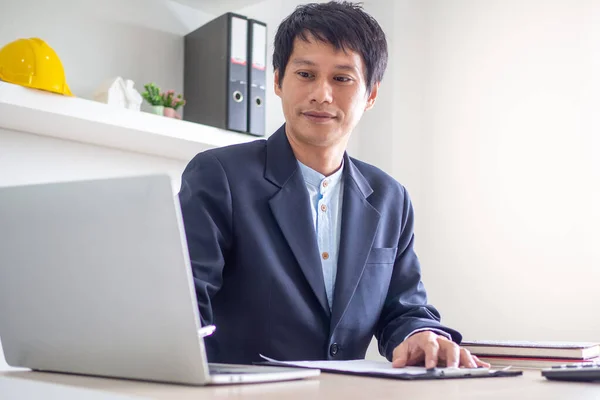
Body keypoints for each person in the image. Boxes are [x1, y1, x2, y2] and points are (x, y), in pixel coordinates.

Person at [178, 1, 488, 369]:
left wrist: (419, 335)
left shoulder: (390, 198)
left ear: (370, 95)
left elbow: (404, 308)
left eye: (342, 79)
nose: (322, 95)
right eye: (305, 74)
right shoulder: (220, 176)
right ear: (277, 81)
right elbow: (183, 305)